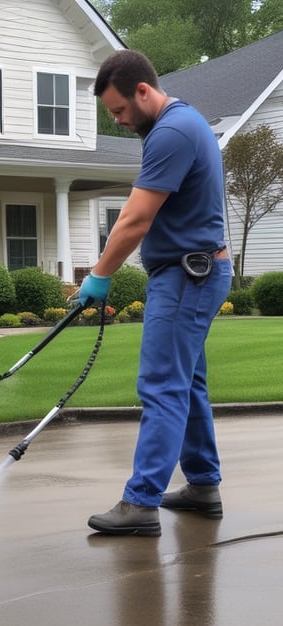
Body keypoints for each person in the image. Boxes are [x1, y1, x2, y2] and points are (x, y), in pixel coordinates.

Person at [78, 50, 232, 537]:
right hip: (194, 272)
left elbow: (134, 219)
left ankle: (141, 502)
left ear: (143, 91)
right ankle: (203, 486)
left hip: (188, 276)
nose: (120, 121)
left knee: (162, 384)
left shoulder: (170, 132)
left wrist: (99, 276)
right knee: (186, 384)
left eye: (120, 110)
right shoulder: (182, 125)